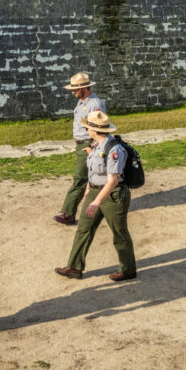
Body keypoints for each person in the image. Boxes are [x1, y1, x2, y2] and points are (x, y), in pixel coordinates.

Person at [55, 110, 137, 281]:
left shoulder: (115, 149)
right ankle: (74, 267)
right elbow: (93, 172)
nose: (86, 130)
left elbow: (113, 180)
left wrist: (96, 201)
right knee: (83, 229)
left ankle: (128, 269)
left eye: (87, 127)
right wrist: (88, 189)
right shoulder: (95, 145)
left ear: (94, 129)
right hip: (94, 191)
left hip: (113, 196)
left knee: (119, 233)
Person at [53, 72, 107, 226]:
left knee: (80, 179)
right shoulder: (83, 101)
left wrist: (92, 146)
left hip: (87, 144)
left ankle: (68, 213)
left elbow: (100, 127)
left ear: (84, 88)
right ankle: (103, 202)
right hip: (81, 144)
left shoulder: (94, 104)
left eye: (75, 89)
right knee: (89, 177)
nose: (72, 92)